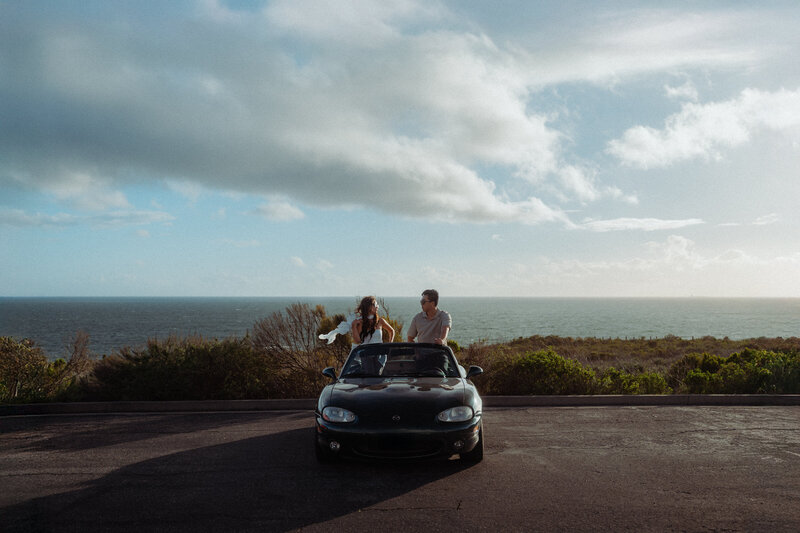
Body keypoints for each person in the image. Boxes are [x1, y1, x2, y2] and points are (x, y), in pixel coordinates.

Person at [318, 296, 394, 345]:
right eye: (375, 305)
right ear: (369, 307)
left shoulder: (380, 321)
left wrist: (389, 346)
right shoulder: (360, 322)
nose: (377, 307)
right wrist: (354, 326)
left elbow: (391, 331)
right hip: (366, 356)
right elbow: (358, 341)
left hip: (380, 356)